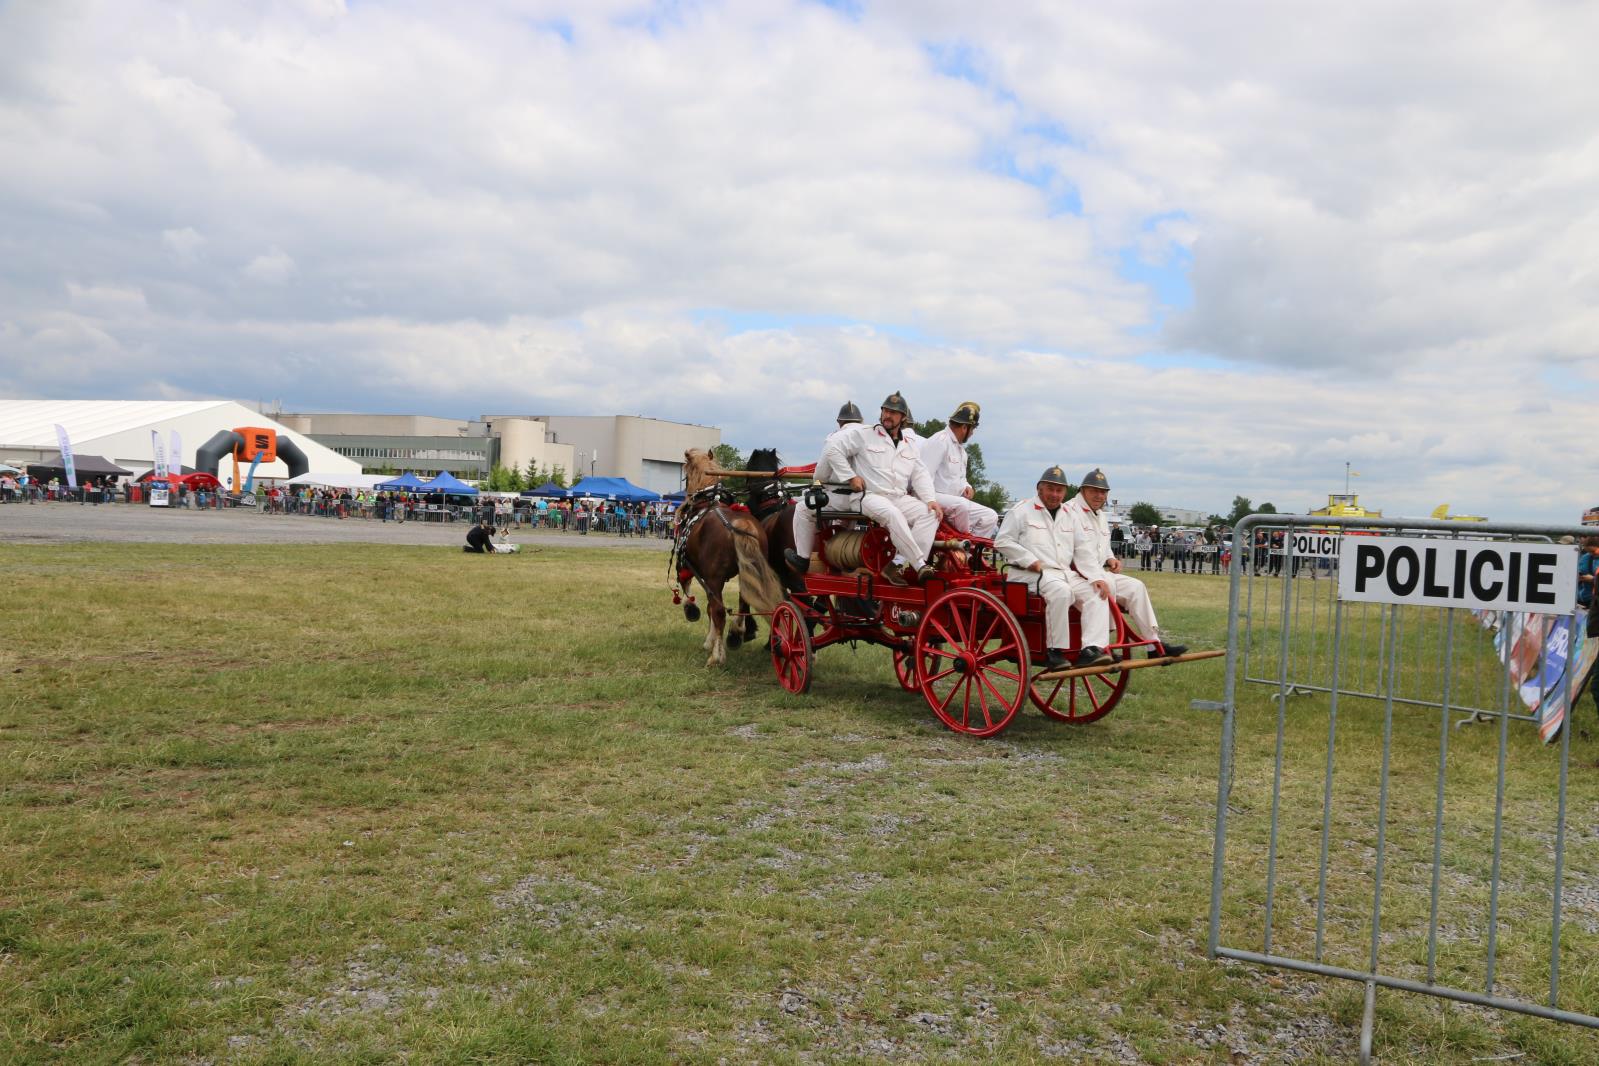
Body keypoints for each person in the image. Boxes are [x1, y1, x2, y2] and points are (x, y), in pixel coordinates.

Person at [995, 465, 1111, 670]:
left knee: (1097, 592)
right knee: (1061, 591)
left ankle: (1091, 649)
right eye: (1050, 489)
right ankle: (1055, 652)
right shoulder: (1022, 510)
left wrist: (1095, 577)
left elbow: (1082, 548)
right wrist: (1028, 559)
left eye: (1059, 490)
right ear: (1039, 489)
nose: (1055, 494)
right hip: (1027, 573)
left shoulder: (1069, 514)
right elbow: (1002, 541)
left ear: (1065, 492)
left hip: (1062, 573)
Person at [819, 391, 942, 585]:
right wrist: (850, 476)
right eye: (885, 410)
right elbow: (833, 449)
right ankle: (920, 565)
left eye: (893, 412)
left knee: (930, 514)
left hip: (898, 497)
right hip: (869, 496)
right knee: (893, 514)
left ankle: (896, 564)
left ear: (903, 418)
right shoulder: (864, 434)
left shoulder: (909, 444)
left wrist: (930, 500)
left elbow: (920, 473)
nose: (887, 415)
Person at [1065, 468, 1187, 658]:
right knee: (1099, 592)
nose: (1099, 495)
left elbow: (1102, 545)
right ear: (1082, 490)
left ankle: (1153, 645)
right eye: (1094, 491)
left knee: (1136, 587)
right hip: (1073, 574)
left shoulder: (1100, 515)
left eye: (1103, 492)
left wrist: (1110, 558)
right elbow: (1080, 550)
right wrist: (1097, 577)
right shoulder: (1070, 511)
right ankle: (1094, 648)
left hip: (1097, 571)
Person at [785, 401, 865, 573]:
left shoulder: (834, 439)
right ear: (861, 421)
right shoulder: (870, 438)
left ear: (839, 422)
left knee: (801, 510)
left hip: (840, 499)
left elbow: (820, 476)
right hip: (865, 499)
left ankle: (802, 559)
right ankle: (844, 554)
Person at [917, 401, 998, 539]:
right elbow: (923, 475)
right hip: (932, 496)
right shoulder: (939, 441)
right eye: (972, 429)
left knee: (990, 516)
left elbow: (961, 478)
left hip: (954, 502)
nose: (972, 433)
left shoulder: (961, 451)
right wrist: (929, 499)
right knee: (962, 505)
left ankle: (970, 555)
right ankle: (962, 546)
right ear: (964, 427)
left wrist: (967, 486)